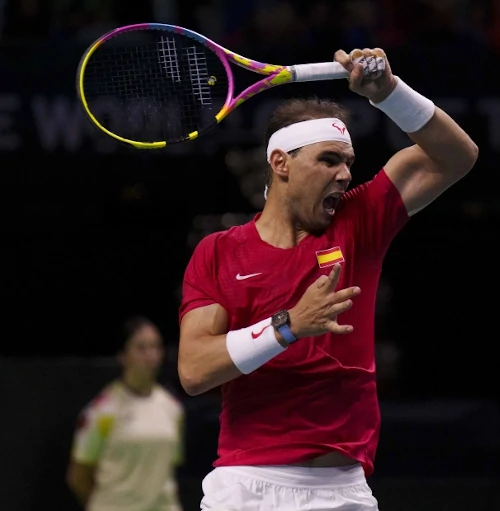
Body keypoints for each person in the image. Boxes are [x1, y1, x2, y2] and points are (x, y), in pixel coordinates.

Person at [178, 47, 478, 510]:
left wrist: (389, 93)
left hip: (342, 490)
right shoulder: (218, 251)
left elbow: (457, 156)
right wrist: (289, 326)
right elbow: (195, 370)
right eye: (329, 160)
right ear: (281, 164)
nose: (345, 174)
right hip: (246, 487)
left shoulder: (360, 220)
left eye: (348, 161)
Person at [66, 316, 184, 511]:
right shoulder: (101, 411)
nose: (150, 355)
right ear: (123, 355)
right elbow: (78, 476)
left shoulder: (172, 408)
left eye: (155, 347)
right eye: (141, 348)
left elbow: (170, 468)